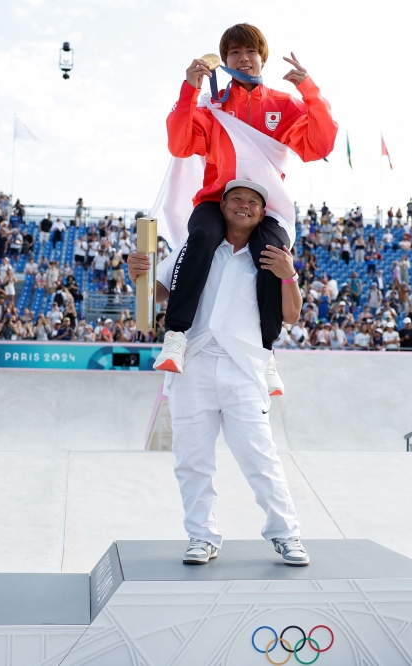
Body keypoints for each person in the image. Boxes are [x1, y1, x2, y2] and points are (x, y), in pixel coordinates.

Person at [128, 179, 310, 567]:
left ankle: (285, 534)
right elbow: (157, 292)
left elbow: (292, 314)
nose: (243, 206)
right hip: (192, 363)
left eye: (252, 202)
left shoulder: (272, 255)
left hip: (243, 369)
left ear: (263, 213)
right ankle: (201, 536)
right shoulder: (195, 246)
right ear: (222, 204)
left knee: (260, 457)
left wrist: (289, 275)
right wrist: (136, 272)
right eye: (236, 199)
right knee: (191, 459)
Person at [154, 23, 338, 396]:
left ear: (262, 58)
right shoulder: (213, 105)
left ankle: (266, 351)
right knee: (203, 236)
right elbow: (179, 142)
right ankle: (176, 335)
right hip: (217, 202)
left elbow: (319, 144)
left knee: (270, 254)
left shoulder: (283, 105)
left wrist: (309, 90)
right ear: (224, 61)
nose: (243, 58)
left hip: (266, 206)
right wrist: (189, 89)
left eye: (250, 51)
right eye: (234, 53)